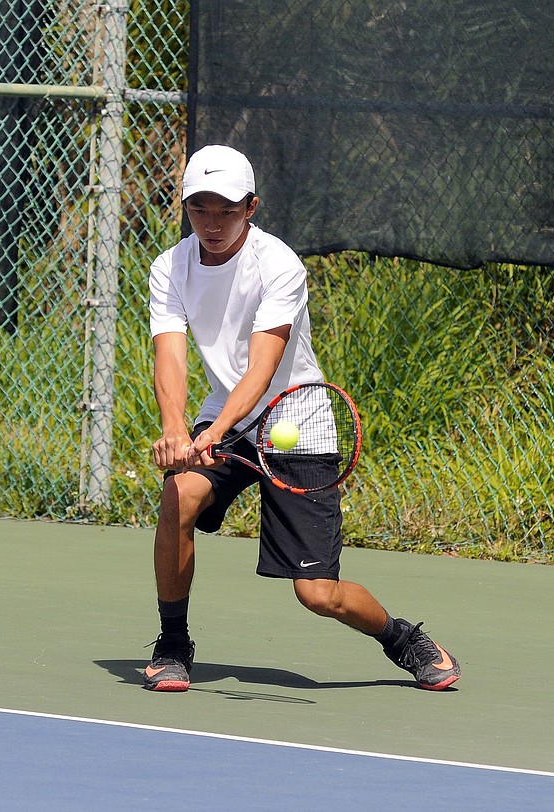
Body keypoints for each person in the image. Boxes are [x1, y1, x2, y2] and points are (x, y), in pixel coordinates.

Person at [145, 144, 461, 692]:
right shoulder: (169, 266)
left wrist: (215, 436)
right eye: (200, 208)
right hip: (228, 415)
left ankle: (403, 638)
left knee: (317, 595)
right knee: (179, 497)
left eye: (226, 209)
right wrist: (177, 431)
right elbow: (169, 355)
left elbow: (263, 368)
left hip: (298, 420)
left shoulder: (279, 265)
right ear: (185, 207)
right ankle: (173, 643)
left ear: (251, 207)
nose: (212, 223)